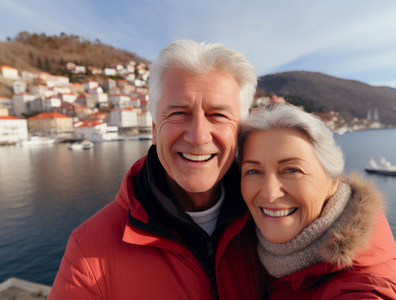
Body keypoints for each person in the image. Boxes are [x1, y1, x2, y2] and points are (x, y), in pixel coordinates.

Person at [48, 39, 268, 299]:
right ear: (154, 130)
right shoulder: (89, 251)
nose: (198, 136)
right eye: (178, 113)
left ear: (240, 129)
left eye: (218, 115)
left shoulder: (272, 221)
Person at [238, 103, 396, 299]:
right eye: (253, 171)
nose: (270, 194)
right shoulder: (255, 256)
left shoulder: (362, 289)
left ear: (332, 182)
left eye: (292, 170)